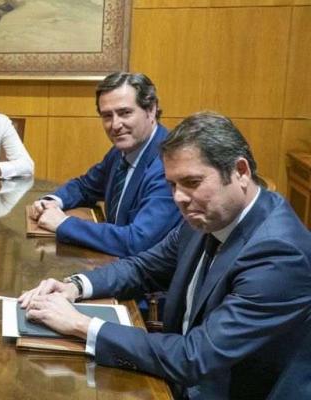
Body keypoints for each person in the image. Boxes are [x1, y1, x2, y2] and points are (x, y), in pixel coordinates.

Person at [19, 112, 311, 399]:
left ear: (241, 172)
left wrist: (80, 325)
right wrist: (75, 285)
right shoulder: (207, 215)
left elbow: (194, 357)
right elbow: (144, 267)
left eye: (192, 182)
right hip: (184, 374)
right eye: (173, 184)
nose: (179, 198)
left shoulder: (280, 254)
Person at [32, 72, 181, 257]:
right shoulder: (122, 151)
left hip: (149, 279)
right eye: (107, 116)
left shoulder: (170, 164)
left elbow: (138, 241)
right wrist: (52, 202)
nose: (115, 125)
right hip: (114, 264)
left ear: (151, 110)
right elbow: (85, 186)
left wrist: (63, 224)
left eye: (125, 113)